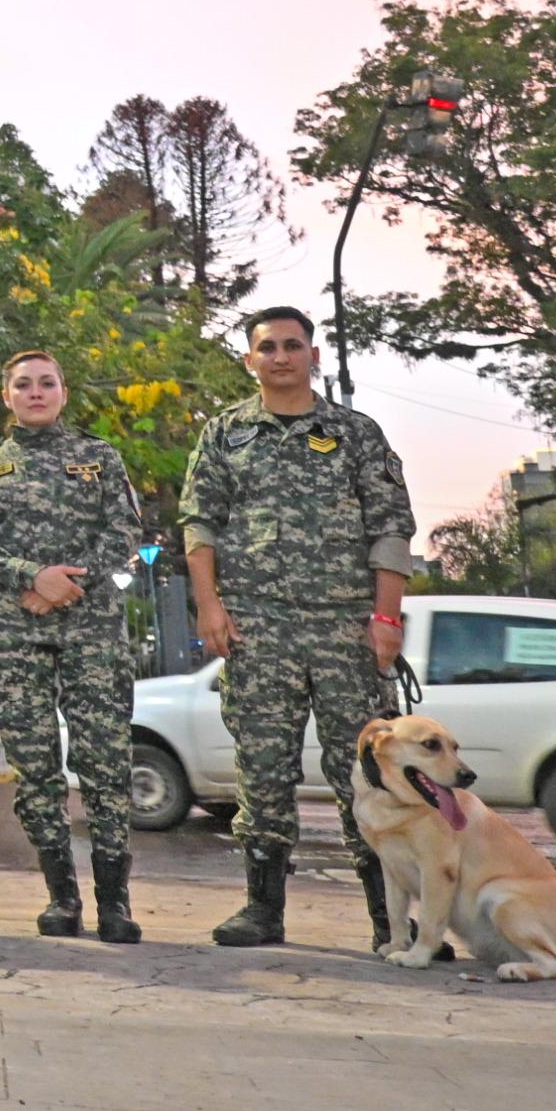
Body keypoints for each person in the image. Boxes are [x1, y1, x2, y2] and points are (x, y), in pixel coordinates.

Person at [182, 306, 414, 950]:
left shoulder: (357, 434)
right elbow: (199, 526)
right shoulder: (226, 434)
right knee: (261, 770)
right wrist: (210, 607)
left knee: (365, 772)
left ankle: (390, 920)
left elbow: (391, 529)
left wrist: (386, 618)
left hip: (345, 631)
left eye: (293, 345)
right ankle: (263, 910)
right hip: (257, 629)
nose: (280, 356)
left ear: (314, 355)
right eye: (267, 347)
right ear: (250, 359)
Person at [0, 351, 143, 943]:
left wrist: (66, 585)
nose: (36, 393)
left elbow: (127, 531)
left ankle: (115, 903)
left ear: (63, 392)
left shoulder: (99, 457)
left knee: (106, 766)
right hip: (11, 636)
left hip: (92, 632)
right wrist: (31, 577)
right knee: (35, 770)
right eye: (23, 385)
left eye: (47, 383)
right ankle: (62, 898)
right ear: (5, 395)